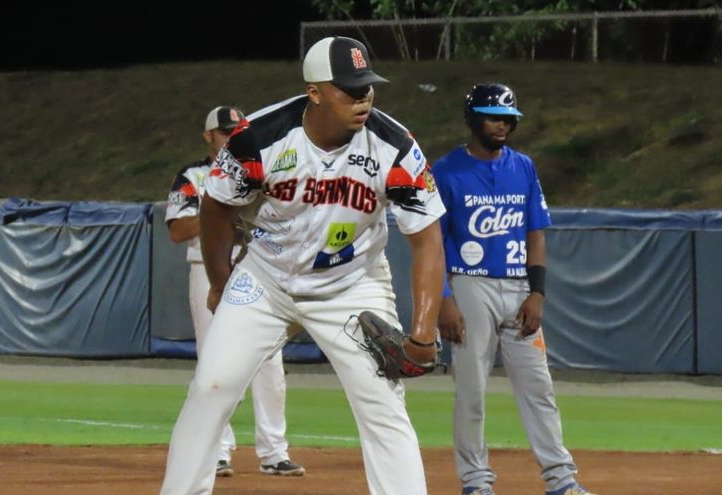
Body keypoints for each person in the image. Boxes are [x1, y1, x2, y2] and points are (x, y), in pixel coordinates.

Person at [159, 36, 446, 495]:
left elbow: (427, 239)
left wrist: (424, 332)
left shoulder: (393, 146)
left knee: (383, 406)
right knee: (210, 388)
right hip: (265, 280)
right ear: (315, 92)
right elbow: (215, 207)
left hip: (352, 286)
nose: (363, 98)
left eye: (368, 87)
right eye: (350, 89)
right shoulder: (258, 138)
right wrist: (219, 281)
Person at [432, 83, 595, 495]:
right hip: (469, 283)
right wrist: (444, 300)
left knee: (539, 388)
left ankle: (561, 480)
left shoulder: (523, 166)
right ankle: (476, 482)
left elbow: (535, 233)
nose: (502, 125)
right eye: (493, 117)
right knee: (471, 390)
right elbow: (432, 241)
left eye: (508, 119)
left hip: (519, 285)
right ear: (472, 120)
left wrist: (537, 293)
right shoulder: (445, 171)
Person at [164, 105, 304, 478]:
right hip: (206, 268)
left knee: (270, 363)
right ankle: (219, 450)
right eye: (224, 132)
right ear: (208, 136)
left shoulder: (263, 165)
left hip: (259, 269)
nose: (230, 137)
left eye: (235, 130)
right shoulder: (193, 176)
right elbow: (177, 228)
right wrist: (219, 215)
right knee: (214, 358)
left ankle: (274, 451)